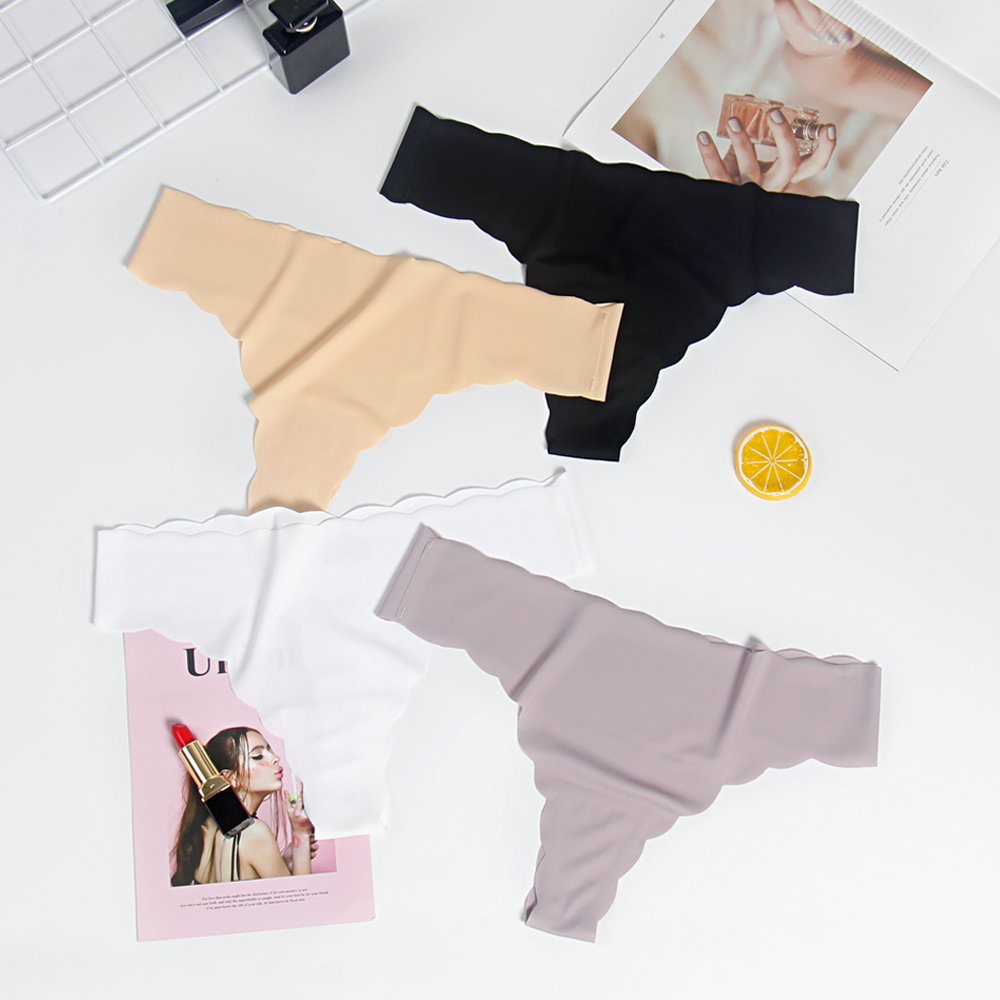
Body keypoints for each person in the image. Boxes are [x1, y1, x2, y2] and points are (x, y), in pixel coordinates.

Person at [170, 727, 316, 886]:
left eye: (269, 750)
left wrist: (281, 862)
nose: (275, 758)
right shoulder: (255, 833)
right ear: (230, 778)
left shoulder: (204, 827)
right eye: (258, 756)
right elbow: (299, 897)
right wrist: (301, 833)